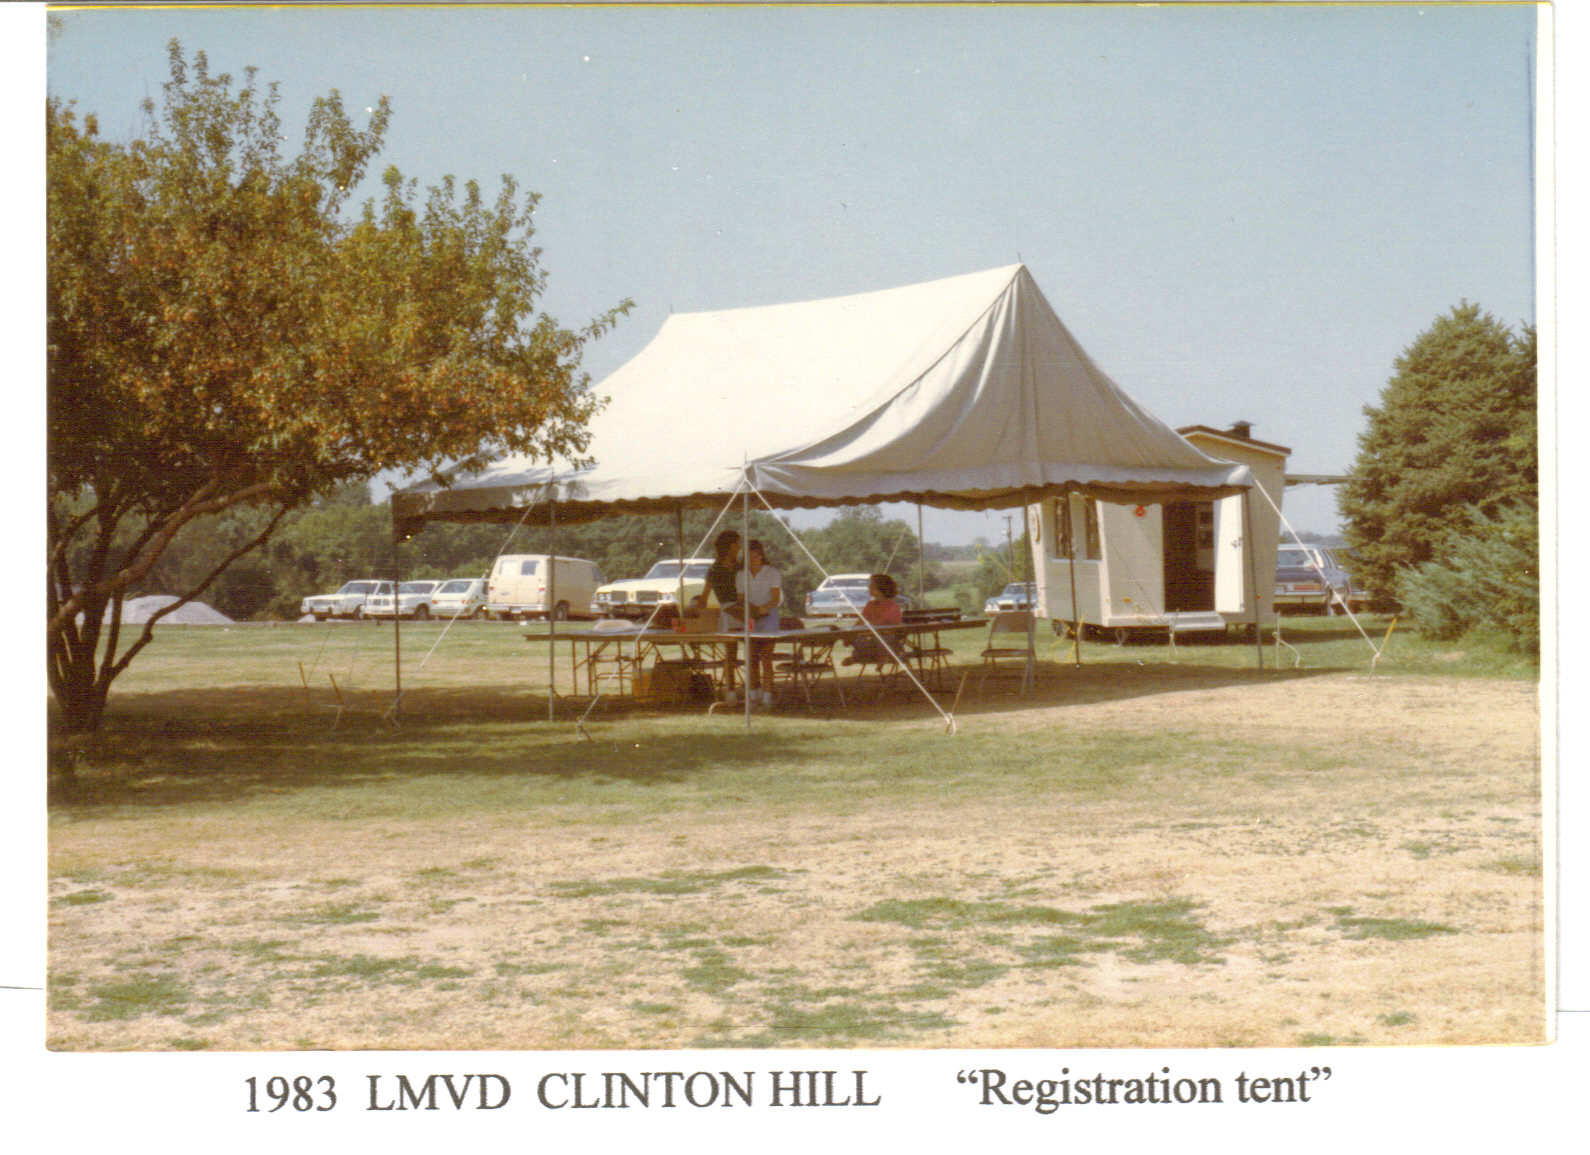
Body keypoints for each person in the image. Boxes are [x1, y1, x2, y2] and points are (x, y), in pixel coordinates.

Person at [735, 539, 782, 708]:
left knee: (767, 658)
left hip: (768, 616)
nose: (753, 560)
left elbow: (775, 598)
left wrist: (764, 608)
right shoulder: (741, 574)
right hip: (750, 617)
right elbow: (740, 599)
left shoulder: (772, 573)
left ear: (762, 556)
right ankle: (753, 694)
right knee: (752, 657)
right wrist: (750, 610)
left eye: (756, 556)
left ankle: (768, 694)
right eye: (750, 557)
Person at [702, 530, 743, 698]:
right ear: (729, 546)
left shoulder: (741, 566)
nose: (739, 547)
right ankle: (731, 691)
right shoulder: (714, 569)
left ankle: (756, 690)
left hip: (744, 609)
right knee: (731, 654)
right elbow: (704, 597)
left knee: (754, 649)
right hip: (727, 611)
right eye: (737, 544)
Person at [845, 573, 903, 666]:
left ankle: (861, 657)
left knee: (882, 639)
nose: (869, 587)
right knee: (857, 640)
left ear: (881, 588)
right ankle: (860, 657)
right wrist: (850, 634)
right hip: (873, 637)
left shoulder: (892, 606)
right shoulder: (870, 605)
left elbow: (880, 624)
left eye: (872, 585)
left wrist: (863, 632)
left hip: (888, 640)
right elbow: (860, 622)